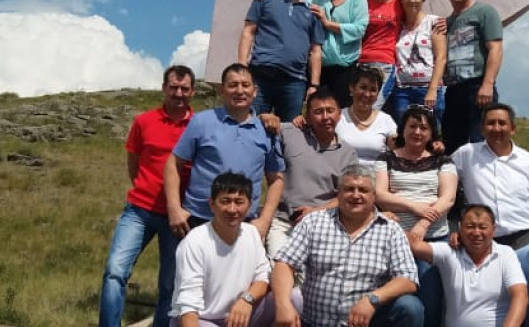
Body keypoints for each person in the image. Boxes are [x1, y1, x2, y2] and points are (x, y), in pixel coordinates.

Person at [272, 166, 422, 327]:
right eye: (349, 189)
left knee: (411, 308)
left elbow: (408, 279)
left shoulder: (390, 230)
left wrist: (372, 299)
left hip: (366, 325)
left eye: (363, 190)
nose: (356, 195)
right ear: (338, 193)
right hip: (320, 325)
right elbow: (284, 264)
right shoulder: (314, 222)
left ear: (374, 195)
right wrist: (283, 304)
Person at [83, 65, 195, 327]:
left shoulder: (198, 125)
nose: (179, 93)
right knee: (115, 271)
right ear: (164, 88)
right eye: (174, 87)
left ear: (193, 91)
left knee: (169, 285)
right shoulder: (144, 121)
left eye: (185, 88)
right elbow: (133, 162)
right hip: (140, 210)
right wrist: (144, 189)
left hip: (178, 216)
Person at [170, 172, 301, 327]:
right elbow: (187, 305)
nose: (232, 209)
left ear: (249, 205)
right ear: (212, 204)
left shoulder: (250, 234)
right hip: (197, 320)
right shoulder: (195, 242)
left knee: (292, 298)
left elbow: (263, 277)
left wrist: (247, 299)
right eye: (225, 201)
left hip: (236, 317)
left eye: (239, 202)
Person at [409, 203, 528, 327]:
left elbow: (521, 296)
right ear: (460, 229)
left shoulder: (506, 254)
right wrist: (386, 221)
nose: (476, 233)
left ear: (493, 229)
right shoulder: (448, 252)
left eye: (483, 227)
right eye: (470, 226)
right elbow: (414, 245)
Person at [374, 105, 457, 327]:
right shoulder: (386, 159)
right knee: (397, 297)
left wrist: (422, 224)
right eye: (412, 126)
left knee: (430, 298)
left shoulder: (443, 162)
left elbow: (448, 198)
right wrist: (414, 207)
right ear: (403, 129)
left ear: (432, 133)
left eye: (424, 127)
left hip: (432, 239)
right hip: (395, 239)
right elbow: (380, 194)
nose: (417, 132)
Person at [164, 63, 284, 243]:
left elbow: (276, 180)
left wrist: (264, 221)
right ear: (221, 90)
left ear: (254, 91)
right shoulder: (201, 121)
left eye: (245, 85)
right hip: (198, 220)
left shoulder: (267, 130)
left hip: (244, 223)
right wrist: (174, 208)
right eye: (232, 85)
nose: (239, 91)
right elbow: (173, 164)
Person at [266, 87, 358, 259]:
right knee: (278, 268)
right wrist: (265, 117)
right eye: (318, 112)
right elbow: (259, 126)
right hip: (284, 223)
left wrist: (317, 211)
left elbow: (347, 195)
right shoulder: (289, 133)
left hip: (324, 225)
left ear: (339, 114)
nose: (325, 117)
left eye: (330, 110)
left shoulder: (347, 153)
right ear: (307, 116)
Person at [452, 103, 529, 248]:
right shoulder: (466, 154)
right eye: (491, 123)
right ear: (482, 129)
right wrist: (455, 227)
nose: (496, 128)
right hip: (482, 240)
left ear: (513, 129)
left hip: (525, 237)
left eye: (502, 123)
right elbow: (442, 182)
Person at [238, 0, 325, 120]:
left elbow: (315, 51)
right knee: (250, 124)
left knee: (290, 130)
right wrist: (241, 67)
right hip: (260, 76)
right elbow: (248, 31)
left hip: (294, 81)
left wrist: (314, 84)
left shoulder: (313, 12)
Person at [441, 0, 503, 154]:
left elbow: (495, 48)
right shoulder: (447, 22)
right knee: (452, 148)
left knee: (482, 145)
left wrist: (488, 84)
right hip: (453, 91)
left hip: (478, 87)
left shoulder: (485, 12)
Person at [309, 0, 369, 108]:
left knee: (343, 115)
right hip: (320, 71)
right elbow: (294, 3)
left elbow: (359, 29)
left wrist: (327, 23)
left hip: (346, 71)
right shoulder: (316, 1)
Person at [388, 0, 446, 128]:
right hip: (402, 90)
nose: (412, 0)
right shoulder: (398, 26)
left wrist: (432, 89)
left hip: (427, 88)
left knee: (430, 132)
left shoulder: (434, 22)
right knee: (404, 132)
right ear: (401, 0)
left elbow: (441, 57)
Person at [357, 0, 403, 107]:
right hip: (363, 63)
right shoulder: (363, 2)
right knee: (361, 108)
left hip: (386, 64)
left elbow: (416, 20)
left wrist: (437, 22)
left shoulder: (399, 4)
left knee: (373, 108)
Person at [335, 66, 397, 167]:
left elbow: (399, 151)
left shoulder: (386, 120)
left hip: (376, 175)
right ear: (351, 88)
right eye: (363, 88)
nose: (367, 94)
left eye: (373, 90)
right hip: (343, 174)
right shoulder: (337, 117)